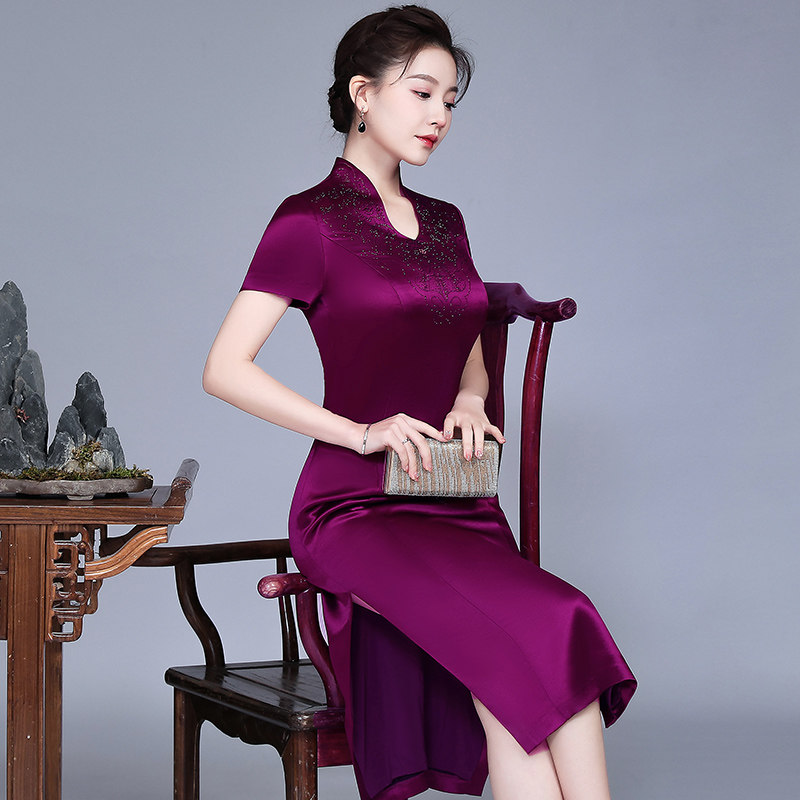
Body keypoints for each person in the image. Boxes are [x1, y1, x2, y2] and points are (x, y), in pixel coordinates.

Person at [203, 5, 636, 799]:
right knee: (544, 636)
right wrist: (358, 432)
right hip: (355, 509)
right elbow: (225, 368)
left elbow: (460, 330)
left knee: (538, 660)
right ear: (363, 94)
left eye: (450, 102)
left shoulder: (445, 223)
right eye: (423, 93)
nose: (440, 116)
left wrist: (472, 395)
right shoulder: (308, 222)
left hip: (453, 498)